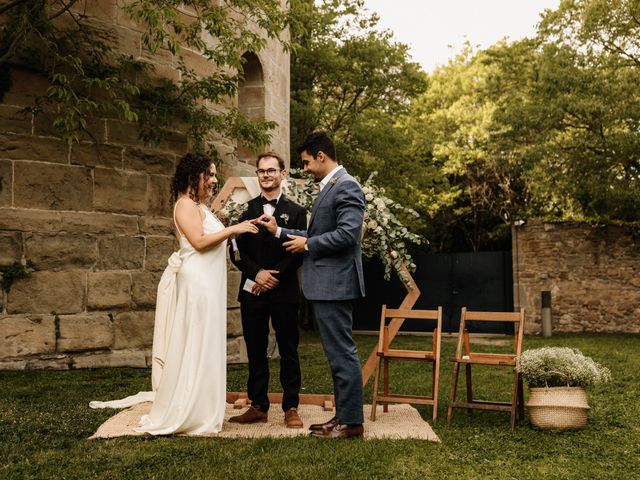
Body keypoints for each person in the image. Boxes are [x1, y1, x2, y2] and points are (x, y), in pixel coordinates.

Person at [91, 152, 259, 435]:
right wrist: (234, 229)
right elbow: (199, 241)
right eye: (212, 175)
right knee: (196, 340)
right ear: (195, 177)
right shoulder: (183, 205)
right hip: (197, 284)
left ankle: (204, 407)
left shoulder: (199, 206)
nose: (215, 180)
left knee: (206, 341)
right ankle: (190, 410)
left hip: (208, 284)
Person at [256, 132, 366, 439]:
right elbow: (315, 234)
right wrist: (279, 232)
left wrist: (308, 245)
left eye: (305, 162)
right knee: (336, 354)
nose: (303, 168)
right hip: (328, 285)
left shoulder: (346, 186)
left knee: (342, 353)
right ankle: (343, 417)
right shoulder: (331, 187)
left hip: (336, 285)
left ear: (321, 156)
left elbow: (347, 235)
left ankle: (352, 422)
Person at [228, 152, 308, 429]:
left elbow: (299, 252)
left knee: (288, 349)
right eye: (262, 171)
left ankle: (291, 406)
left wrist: (276, 276)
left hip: (284, 290)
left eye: (272, 170)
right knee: (256, 350)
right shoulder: (244, 210)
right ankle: (258, 405)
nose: (266, 175)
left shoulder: (297, 212)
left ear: (282, 174)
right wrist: (257, 274)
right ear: (257, 175)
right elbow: (236, 251)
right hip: (253, 291)